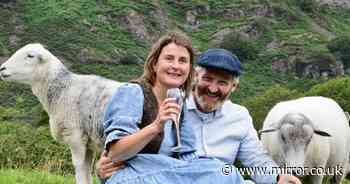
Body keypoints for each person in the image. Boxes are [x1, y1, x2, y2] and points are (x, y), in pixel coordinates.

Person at [97, 48, 302, 184]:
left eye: (222, 82)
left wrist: (277, 177)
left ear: (234, 86)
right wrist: (105, 163)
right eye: (207, 79)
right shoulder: (173, 106)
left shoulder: (239, 117)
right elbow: (126, 144)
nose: (212, 88)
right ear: (195, 77)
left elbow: (255, 159)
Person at [101, 32, 246, 184]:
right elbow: (115, 153)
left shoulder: (178, 100)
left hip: (168, 173)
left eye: (183, 61)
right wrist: (156, 126)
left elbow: (187, 155)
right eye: (169, 58)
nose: (176, 66)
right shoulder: (132, 92)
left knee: (225, 172)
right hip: (135, 175)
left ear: (189, 69)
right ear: (155, 64)